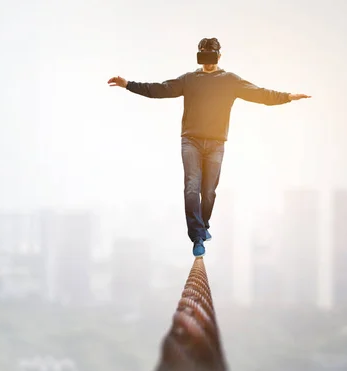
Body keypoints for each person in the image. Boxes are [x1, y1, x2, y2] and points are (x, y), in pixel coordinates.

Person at [108, 37, 311, 257]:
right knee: (191, 187)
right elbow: (158, 90)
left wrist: (288, 97)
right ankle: (197, 237)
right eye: (203, 55)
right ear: (199, 55)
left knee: (209, 192)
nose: (208, 61)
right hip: (191, 141)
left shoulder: (230, 81)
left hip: (216, 143)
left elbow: (259, 94)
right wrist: (128, 84)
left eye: (212, 56)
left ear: (219, 56)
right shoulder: (189, 79)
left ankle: (203, 226)